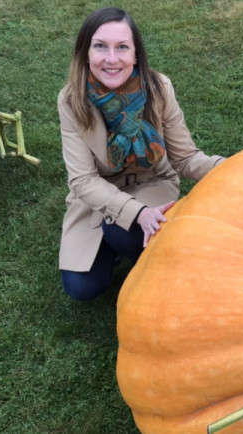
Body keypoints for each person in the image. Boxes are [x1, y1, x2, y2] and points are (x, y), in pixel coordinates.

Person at [57, 6, 224, 301]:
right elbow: (83, 180)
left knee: (125, 232)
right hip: (96, 196)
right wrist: (137, 212)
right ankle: (117, 237)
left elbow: (185, 158)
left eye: (122, 47)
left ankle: (147, 261)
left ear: (136, 55)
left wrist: (234, 168)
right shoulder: (72, 100)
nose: (111, 59)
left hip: (152, 183)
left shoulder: (159, 89)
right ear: (85, 53)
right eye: (100, 46)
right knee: (82, 288)